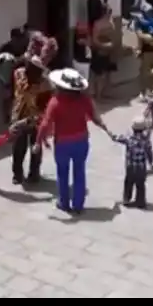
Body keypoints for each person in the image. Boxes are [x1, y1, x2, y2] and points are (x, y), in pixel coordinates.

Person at [34, 68, 109, 214]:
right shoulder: (85, 100)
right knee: (79, 172)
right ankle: (78, 205)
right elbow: (94, 117)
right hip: (81, 142)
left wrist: (38, 141)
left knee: (62, 173)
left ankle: (64, 203)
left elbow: (45, 124)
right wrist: (104, 127)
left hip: (62, 143)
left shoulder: (55, 102)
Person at [9, 51, 53, 185]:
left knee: (36, 147)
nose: (34, 73)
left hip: (36, 120)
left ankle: (34, 174)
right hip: (18, 115)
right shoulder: (19, 74)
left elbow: (45, 107)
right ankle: (17, 174)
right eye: (32, 69)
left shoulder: (45, 84)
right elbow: (14, 91)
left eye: (37, 71)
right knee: (18, 148)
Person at [110, 116, 153, 209]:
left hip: (130, 166)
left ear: (133, 129)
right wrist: (151, 163)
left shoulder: (129, 138)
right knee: (140, 184)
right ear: (143, 129)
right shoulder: (146, 140)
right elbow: (149, 152)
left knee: (128, 182)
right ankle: (140, 202)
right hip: (141, 167)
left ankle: (126, 199)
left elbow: (118, 138)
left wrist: (111, 135)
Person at [134, 4, 153, 96]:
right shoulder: (140, 22)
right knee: (146, 73)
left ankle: (151, 92)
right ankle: (145, 92)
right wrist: (151, 39)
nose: (149, 13)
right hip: (149, 51)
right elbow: (140, 35)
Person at [90, 5, 117, 99]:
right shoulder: (97, 24)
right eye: (109, 12)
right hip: (100, 50)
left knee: (108, 73)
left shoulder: (111, 22)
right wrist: (103, 46)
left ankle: (104, 93)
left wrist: (111, 45)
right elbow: (95, 39)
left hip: (109, 51)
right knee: (99, 74)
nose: (110, 14)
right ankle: (98, 95)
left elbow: (113, 37)